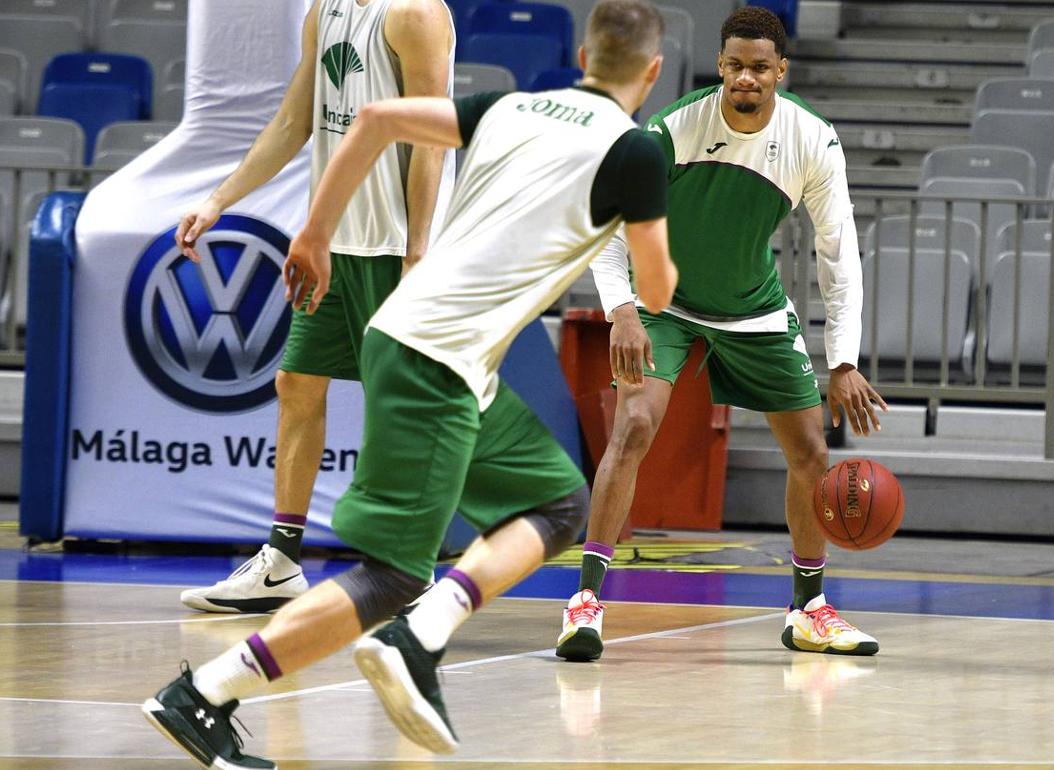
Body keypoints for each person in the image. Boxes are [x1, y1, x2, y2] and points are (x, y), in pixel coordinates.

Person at [142, 2, 675, 766]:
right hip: (438, 350)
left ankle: (373, 644)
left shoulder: (512, 107)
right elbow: (655, 294)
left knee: (559, 501)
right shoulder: (633, 152)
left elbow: (375, 122)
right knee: (395, 574)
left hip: (416, 329)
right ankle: (229, 687)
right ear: (653, 72)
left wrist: (315, 230)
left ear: (584, 51)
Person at [555, 6, 887, 663]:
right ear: (720, 66)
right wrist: (621, 309)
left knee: (812, 455)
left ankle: (809, 610)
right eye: (734, 65)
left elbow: (839, 256)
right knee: (635, 426)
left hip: (752, 308)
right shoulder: (675, 127)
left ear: (781, 72)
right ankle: (585, 602)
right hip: (665, 302)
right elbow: (606, 217)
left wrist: (843, 360)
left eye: (760, 68)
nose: (745, 78)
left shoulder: (812, 142)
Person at [177, 0, 456, 613]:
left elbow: (431, 139)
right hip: (333, 244)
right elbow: (291, 123)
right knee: (297, 384)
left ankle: (411, 566)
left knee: (401, 404)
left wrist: (416, 254)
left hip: (393, 245)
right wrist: (218, 201)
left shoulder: (415, 14)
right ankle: (279, 563)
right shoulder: (324, 10)